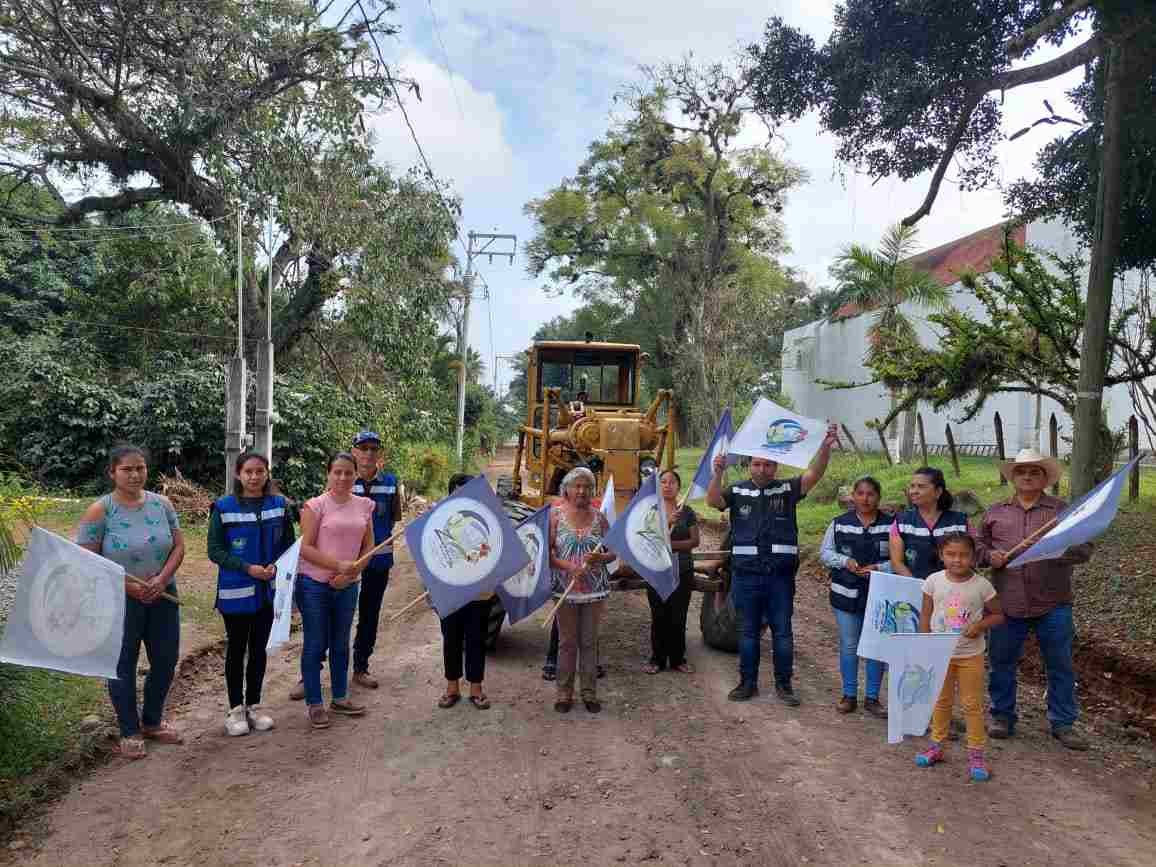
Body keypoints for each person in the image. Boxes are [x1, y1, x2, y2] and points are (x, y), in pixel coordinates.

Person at [706, 423, 840, 706]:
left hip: (779, 577)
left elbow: (814, 474)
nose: (762, 469)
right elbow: (713, 500)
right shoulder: (738, 491)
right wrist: (717, 473)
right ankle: (747, 683)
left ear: (776, 467)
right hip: (746, 576)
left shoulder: (788, 489)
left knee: (782, 632)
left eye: (768, 465)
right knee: (748, 631)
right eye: (757, 464)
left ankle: (784, 685)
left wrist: (825, 446)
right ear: (749, 466)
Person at [978, 448, 1094, 750]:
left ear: (1045, 478)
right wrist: (991, 556)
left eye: (1034, 472)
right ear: (1013, 477)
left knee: (1060, 664)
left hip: (1052, 602)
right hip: (1007, 601)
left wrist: (1055, 549)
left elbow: (1084, 549)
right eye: (1021, 472)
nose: (1027, 476)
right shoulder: (995, 512)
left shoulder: (1062, 513)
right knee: (1001, 662)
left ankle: (1063, 723)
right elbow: (977, 547)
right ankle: (1002, 716)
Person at [77, 445, 185, 759]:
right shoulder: (101, 510)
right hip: (120, 599)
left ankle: (152, 721)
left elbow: (178, 546)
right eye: (127, 469)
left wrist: (162, 579)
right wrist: (128, 586)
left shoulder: (162, 504)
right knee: (123, 664)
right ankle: (129, 730)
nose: (135, 474)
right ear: (112, 473)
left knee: (165, 659)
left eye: (140, 468)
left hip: (163, 593)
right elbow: (86, 560)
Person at [207, 452, 295, 736]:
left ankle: (255, 706)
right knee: (236, 649)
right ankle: (235, 710)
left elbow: (289, 545)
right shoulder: (223, 507)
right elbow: (215, 550)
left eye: (260, 471)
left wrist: (275, 566)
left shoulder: (279, 505)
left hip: (268, 593)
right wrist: (247, 568)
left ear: (267, 473)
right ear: (238, 475)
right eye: (249, 472)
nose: (254, 477)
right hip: (236, 592)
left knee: (259, 650)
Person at [915, 533, 1004, 782]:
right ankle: (936, 746)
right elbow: (925, 615)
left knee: (971, 705)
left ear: (973, 556)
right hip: (939, 654)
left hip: (970, 656)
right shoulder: (933, 581)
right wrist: (924, 644)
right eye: (951, 554)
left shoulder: (982, 585)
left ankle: (976, 754)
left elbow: (999, 615)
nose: (957, 560)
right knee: (941, 701)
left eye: (964, 555)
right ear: (941, 555)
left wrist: (980, 625)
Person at [296, 453, 375, 729]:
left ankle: (340, 697)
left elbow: (369, 546)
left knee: (341, 644)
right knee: (316, 643)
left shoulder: (365, 505)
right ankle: (315, 703)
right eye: (337, 472)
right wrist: (338, 566)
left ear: (356, 475)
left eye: (348, 473)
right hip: (314, 585)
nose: (342, 478)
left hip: (348, 586)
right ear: (328, 474)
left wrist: (353, 572)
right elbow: (305, 548)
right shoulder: (315, 506)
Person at [819, 476, 892, 717]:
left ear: (878, 497)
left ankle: (872, 698)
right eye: (860, 493)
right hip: (845, 594)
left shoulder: (892, 525)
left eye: (871, 494)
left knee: (876, 647)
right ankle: (849, 695)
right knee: (850, 645)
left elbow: (901, 560)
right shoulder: (839, 524)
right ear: (853, 496)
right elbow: (825, 553)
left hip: (880, 596)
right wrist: (844, 561)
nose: (865, 498)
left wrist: (880, 568)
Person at [549, 467, 615, 713]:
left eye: (587, 486)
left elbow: (613, 554)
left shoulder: (600, 518)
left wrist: (599, 558)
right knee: (567, 642)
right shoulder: (555, 516)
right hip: (564, 588)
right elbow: (548, 554)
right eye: (576, 485)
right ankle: (564, 694)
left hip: (594, 589)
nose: (581, 491)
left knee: (589, 641)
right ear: (566, 489)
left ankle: (589, 693)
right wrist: (568, 566)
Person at [436, 473, 496, 710]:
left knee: (476, 639)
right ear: (450, 493)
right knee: (451, 639)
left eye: (469, 491)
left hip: (480, 592)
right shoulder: (437, 520)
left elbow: (495, 551)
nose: (462, 496)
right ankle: (452, 688)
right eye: (457, 491)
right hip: (448, 592)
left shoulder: (487, 521)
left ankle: (476, 689)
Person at [349, 431, 402, 690]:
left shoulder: (391, 483)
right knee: (334, 615)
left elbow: (392, 520)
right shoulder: (343, 479)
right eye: (364, 447)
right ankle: (311, 673)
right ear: (354, 451)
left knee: (370, 614)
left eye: (374, 448)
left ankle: (361, 667)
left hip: (378, 560)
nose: (369, 453)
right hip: (344, 562)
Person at [643, 469, 700, 675]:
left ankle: (677, 659)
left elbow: (695, 541)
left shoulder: (687, 511)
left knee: (679, 615)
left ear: (679, 487)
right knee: (659, 614)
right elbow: (647, 539)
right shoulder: (650, 510)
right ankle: (656, 659)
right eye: (663, 482)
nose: (667, 485)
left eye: (672, 482)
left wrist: (670, 545)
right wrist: (667, 522)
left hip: (682, 569)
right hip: (657, 570)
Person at [889, 467, 972, 580]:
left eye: (921, 486)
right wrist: (919, 586)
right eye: (912, 486)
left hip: (952, 589)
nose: (914, 491)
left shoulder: (960, 522)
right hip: (914, 587)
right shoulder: (901, 522)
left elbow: (969, 557)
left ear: (938, 492)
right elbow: (897, 563)